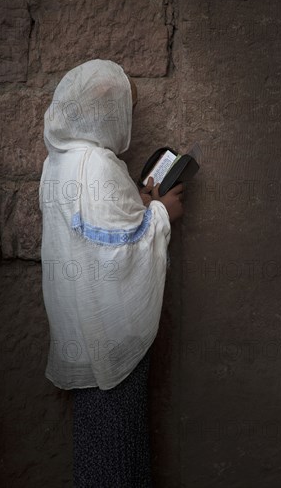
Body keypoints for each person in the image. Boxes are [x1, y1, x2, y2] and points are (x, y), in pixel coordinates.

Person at [38, 59, 184, 487]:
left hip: (80, 330)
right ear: (105, 111)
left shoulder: (60, 161)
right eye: (125, 109)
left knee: (99, 447)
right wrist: (161, 213)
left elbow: (97, 237)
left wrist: (136, 201)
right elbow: (118, 255)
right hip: (108, 335)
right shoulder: (97, 165)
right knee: (118, 452)